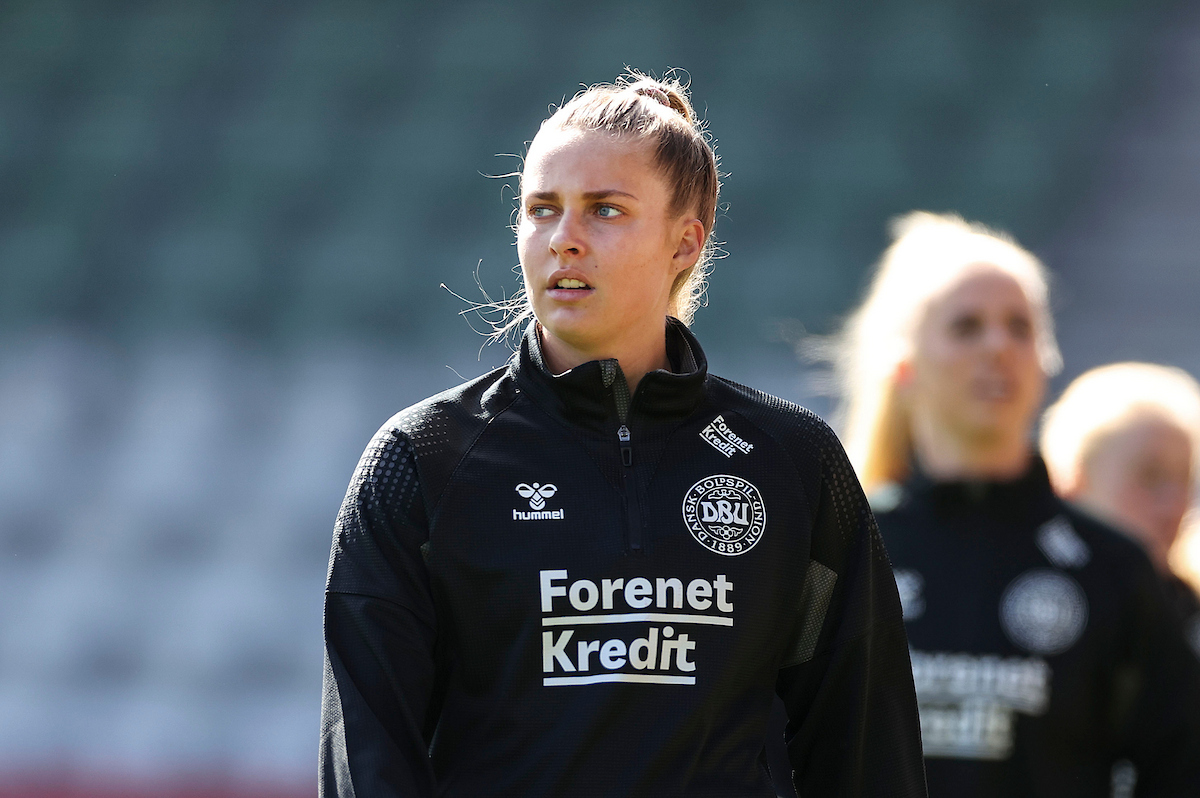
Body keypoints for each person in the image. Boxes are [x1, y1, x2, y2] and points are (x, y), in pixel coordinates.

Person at [319, 72, 926, 797]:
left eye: (604, 210)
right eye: (542, 210)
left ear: (685, 243)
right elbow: (369, 758)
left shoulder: (793, 463)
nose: (564, 240)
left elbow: (864, 750)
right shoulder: (424, 459)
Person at [836, 210, 1200, 796]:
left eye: (1019, 327)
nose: (997, 346)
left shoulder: (1114, 570)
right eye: (967, 327)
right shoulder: (840, 552)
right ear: (904, 367)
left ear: (1045, 361)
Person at [1041, 362, 1200, 652]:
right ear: (1072, 481)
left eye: (1185, 478)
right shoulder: (1038, 609)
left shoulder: (1189, 610)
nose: (1174, 504)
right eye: (1150, 476)